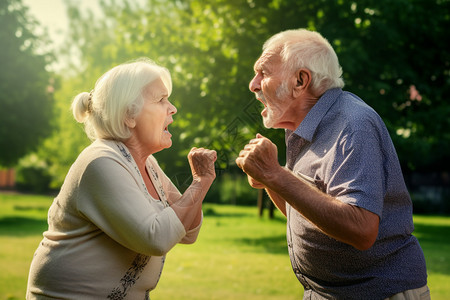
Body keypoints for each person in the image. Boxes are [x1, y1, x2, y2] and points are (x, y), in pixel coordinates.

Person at [236, 29, 429, 299]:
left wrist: (276, 174)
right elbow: (306, 214)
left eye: (263, 73)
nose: (253, 84)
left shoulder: (353, 125)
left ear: (300, 81)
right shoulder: (301, 128)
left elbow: (361, 230)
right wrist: (271, 181)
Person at [26, 58, 217, 299]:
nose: (173, 108)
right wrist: (200, 182)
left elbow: (187, 231)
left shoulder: (148, 164)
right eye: (161, 100)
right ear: (129, 114)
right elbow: (157, 238)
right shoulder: (101, 162)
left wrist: (200, 183)